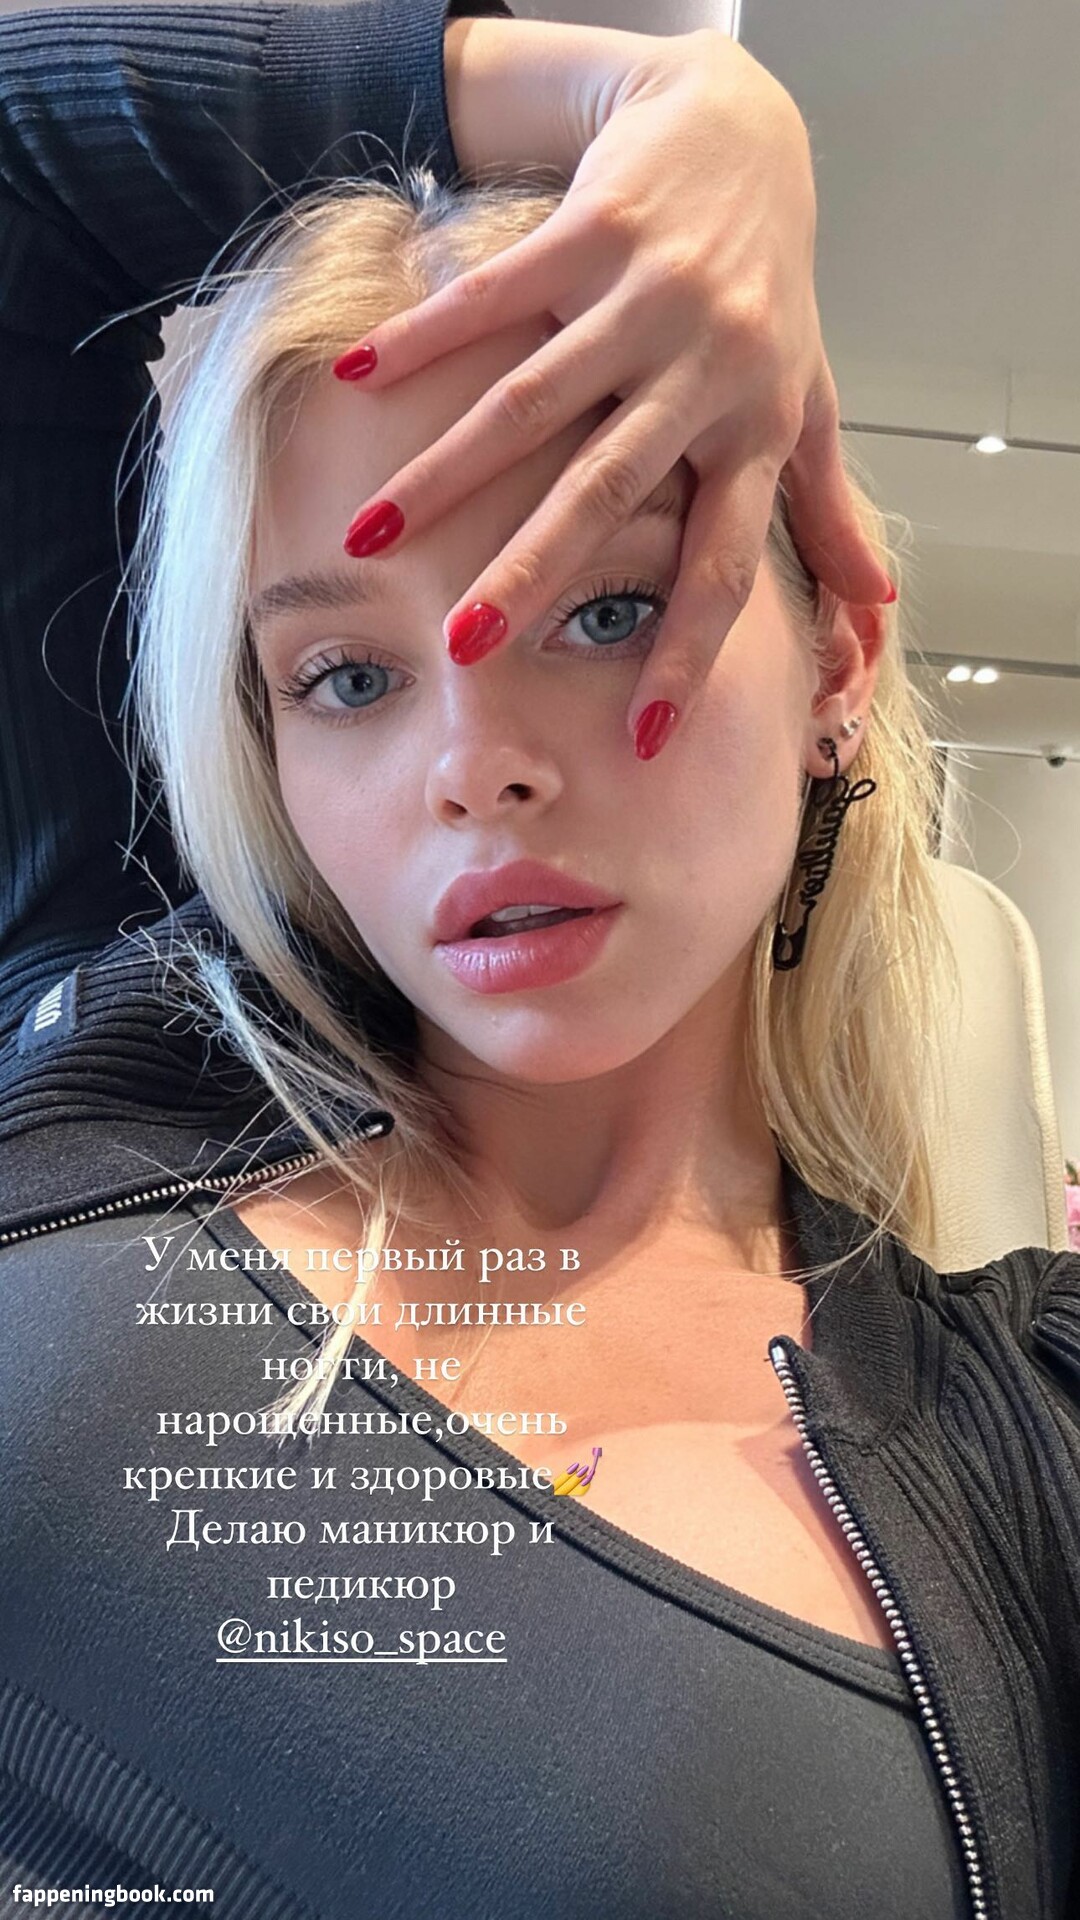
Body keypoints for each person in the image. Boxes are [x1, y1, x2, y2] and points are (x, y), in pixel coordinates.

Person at [0, 7, 1078, 1920]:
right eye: (348, 675)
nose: (472, 762)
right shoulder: (98, 1054)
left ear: (834, 657)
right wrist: (655, 103)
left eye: (602, 606)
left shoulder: (1024, 1433)